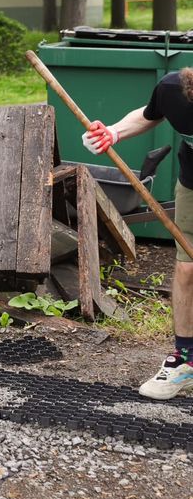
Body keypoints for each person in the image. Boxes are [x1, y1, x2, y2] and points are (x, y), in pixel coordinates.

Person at [83, 68, 193, 400]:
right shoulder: (173, 89)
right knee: (187, 269)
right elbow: (149, 116)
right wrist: (114, 133)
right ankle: (186, 362)